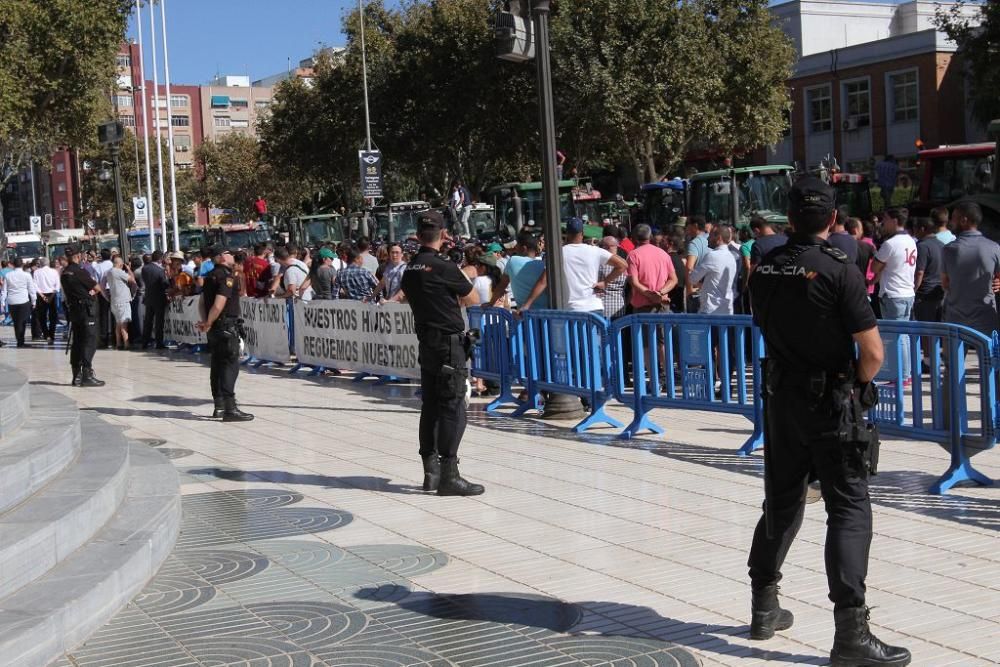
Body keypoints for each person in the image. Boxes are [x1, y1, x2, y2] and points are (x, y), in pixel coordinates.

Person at [746, 176, 910, 667]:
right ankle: (851, 634)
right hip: (831, 403)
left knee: (782, 499)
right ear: (834, 220)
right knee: (848, 507)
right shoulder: (840, 270)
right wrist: (856, 385)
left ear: (789, 219)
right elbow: (874, 352)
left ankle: (763, 606)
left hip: (781, 400)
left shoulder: (765, 269)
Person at [400, 210, 484, 496]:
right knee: (453, 407)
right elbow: (473, 297)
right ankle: (449, 473)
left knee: (431, 405)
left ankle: (430, 472)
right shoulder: (444, 266)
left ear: (419, 234)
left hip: (427, 343)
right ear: (443, 233)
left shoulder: (410, 268)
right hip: (449, 344)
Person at [521, 218, 627, 314]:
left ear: (566, 233)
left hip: (573, 310)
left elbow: (543, 281)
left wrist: (526, 305)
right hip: (594, 307)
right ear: (582, 233)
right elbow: (622, 265)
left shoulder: (558, 253)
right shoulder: (595, 251)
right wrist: (605, 282)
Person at [196, 246, 253, 422]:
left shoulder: (210, 276)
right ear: (221, 257)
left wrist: (207, 322)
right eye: (229, 253)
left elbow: (201, 303)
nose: (233, 256)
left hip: (215, 328)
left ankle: (218, 406)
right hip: (226, 326)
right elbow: (219, 303)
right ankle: (230, 408)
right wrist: (210, 321)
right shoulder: (226, 276)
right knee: (230, 364)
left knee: (217, 364)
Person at [872, 209, 917, 383]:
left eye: (886, 219)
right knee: (903, 335)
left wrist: (881, 268)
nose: (883, 223)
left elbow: (875, 267)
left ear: (895, 221)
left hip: (893, 293)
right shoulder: (911, 241)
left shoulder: (890, 244)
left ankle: (901, 375)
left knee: (895, 337)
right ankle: (905, 374)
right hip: (907, 292)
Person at [941, 202, 1000, 337]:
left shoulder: (949, 249)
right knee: (988, 358)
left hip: (955, 319)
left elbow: (945, 283)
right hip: (986, 317)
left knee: (954, 358)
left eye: (953, 218)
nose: (951, 222)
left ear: (964, 220)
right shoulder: (994, 247)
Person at [60, 246, 105, 387]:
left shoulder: (65, 273)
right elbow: (97, 288)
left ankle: (76, 375)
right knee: (89, 341)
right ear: (78, 256)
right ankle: (87, 374)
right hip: (86, 311)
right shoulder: (79, 272)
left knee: (77, 342)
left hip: (74, 311)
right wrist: (89, 294)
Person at [628, 224, 677, 314]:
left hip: (642, 308)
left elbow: (634, 282)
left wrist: (651, 295)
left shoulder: (633, 255)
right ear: (650, 236)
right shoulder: (664, 254)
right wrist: (660, 293)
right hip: (662, 305)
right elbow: (673, 280)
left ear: (634, 237)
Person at [688, 227, 737, 315]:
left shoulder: (712, 255)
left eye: (710, 236)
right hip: (727, 309)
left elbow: (692, 279)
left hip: (710, 310)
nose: (708, 239)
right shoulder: (731, 257)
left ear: (719, 238)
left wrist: (691, 272)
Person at [490, 233, 546, 309]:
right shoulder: (544, 265)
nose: (515, 247)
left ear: (524, 248)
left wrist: (491, 303)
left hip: (524, 315)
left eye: (517, 245)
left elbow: (502, 286)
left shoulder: (513, 261)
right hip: (547, 315)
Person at [913, 218, 945, 325]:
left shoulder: (922, 246)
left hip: (924, 295)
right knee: (938, 330)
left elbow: (919, 272)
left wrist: (914, 289)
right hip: (940, 292)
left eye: (915, 229)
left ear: (922, 229)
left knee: (925, 331)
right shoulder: (942, 244)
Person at [106, 256, 137, 350]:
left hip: (114, 300)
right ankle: (126, 343)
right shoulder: (119, 272)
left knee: (118, 324)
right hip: (123, 301)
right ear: (121, 264)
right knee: (124, 324)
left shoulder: (109, 272)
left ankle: (118, 343)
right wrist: (129, 269)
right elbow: (132, 280)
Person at [2, 259, 35, 347]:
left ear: (13, 265)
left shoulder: (8, 275)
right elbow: (31, 289)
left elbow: (4, 290)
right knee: (22, 322)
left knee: (16, 322)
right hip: (23, 300)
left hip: (12, 301)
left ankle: (19, 341)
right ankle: (20, 342)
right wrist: (34, 301)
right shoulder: (27, 275)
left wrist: (3, 302)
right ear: (22, 265)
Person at [142, 250, 170, 349]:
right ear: (160, 258)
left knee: (148, 321)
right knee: (159, 322)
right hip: (159, 298)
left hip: (149, 297)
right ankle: (159, 342)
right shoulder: (160, 270)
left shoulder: (145, 268)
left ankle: (145, 342)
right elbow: (164, 284)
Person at [32, 256, 60, 344]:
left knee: (42, 316)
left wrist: (42, 295)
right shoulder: (54, 271)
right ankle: (52, 334)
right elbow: (57, 285)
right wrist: (51, 296)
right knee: (53, 316)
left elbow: (35, 285)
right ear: (48, 263)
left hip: (41, 295)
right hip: (52, 294)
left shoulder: (36, 272)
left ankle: (46, 334)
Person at [598, 236, 628, 320]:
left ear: (605, 247)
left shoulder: (599, 262)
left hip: (601, 307)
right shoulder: (624, 262)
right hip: (619, 306)